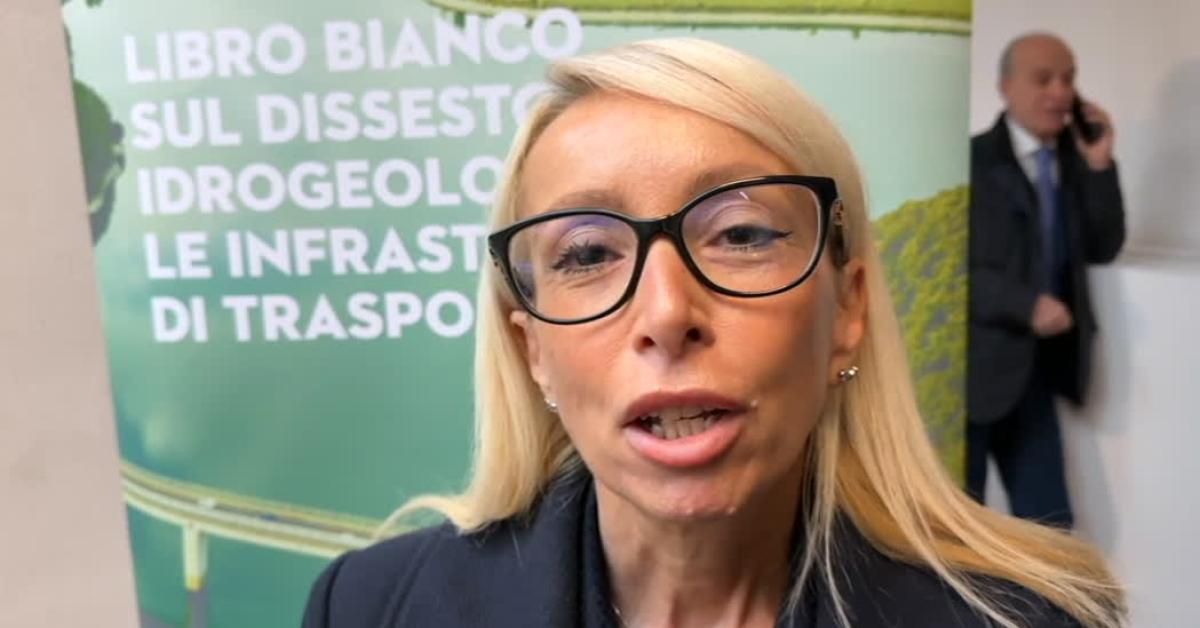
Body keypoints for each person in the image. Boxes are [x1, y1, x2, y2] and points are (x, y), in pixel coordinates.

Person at [304, 39, 1124, 627]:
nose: (666, 314)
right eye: (587, 253)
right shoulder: (371, 609)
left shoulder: (1032, 619)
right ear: (533, 352)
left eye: (741, 234)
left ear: (847, 312)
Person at [967, 32, 1126, 528]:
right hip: (973, 373)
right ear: (1006, 87)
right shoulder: (970, 162)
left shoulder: (1077, 163)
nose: (1060, 92)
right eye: (1044, 79)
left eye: (1068, 79)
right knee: (958, 527)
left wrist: (1099, 165)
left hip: (1039, 375)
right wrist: (1024, 305)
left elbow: (1103, 246)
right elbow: (951, 268)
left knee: (1051, 526)